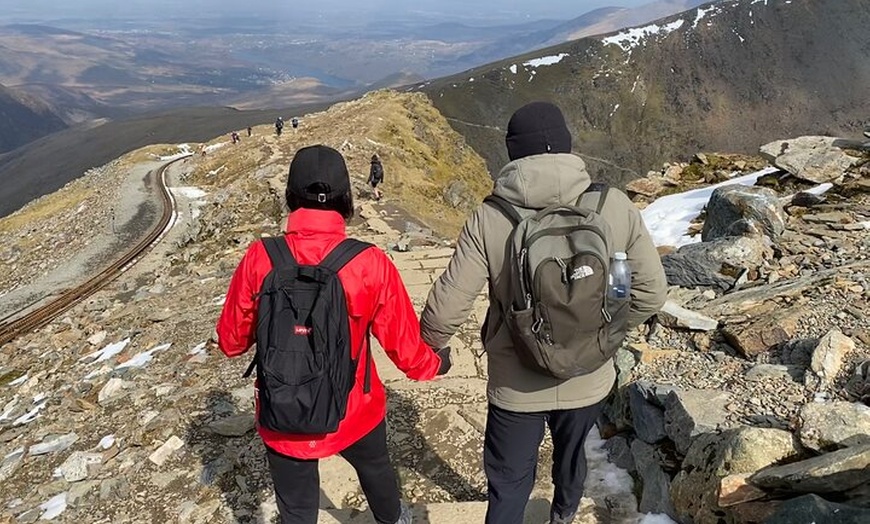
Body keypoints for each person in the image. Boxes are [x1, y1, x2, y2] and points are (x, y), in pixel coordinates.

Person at [419, 102, 667, 524]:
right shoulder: (613, 205)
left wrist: (433, 347)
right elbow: (651, 292)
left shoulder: (490, 217)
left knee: (510, 479)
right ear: (567, 145)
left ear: (514, 153)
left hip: (516, 386)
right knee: (573, 459)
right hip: (588, 375)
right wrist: (605, 335)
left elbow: (446, 310)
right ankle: (563, 515)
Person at [216, 144, 451, 524]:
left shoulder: (260, 258)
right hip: (354, 411)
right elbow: (405, 349)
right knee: (377, 472)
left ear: (291, 195)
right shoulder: (369, 262)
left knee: (296, 509)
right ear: (346, 198)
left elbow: (231, 342)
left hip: (283, 411)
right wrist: (435, 364)